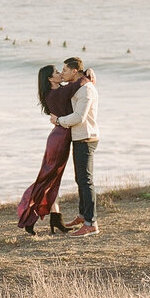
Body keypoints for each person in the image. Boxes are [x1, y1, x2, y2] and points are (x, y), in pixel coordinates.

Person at [17, 64, 84, 235]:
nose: (60, 74)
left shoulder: (54, 92)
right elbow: (80, 82)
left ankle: (56, 219)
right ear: (49, 79)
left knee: (52, 180)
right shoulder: (56, 93)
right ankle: (28, 217)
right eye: (56, 73)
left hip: (58, 137)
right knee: (47, 180)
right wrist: (88, 73)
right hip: (59, 140)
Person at [50, 57, 100, 237]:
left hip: (86, 138)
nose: (62, 72)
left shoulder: (86, 89)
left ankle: (91, 223)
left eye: (64, 70)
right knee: (80, 179)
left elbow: (79, 116)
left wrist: (59, 121)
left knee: (86, 180)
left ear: (74, 71)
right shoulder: (78, 86)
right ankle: (82, 215)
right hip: (79, 137)